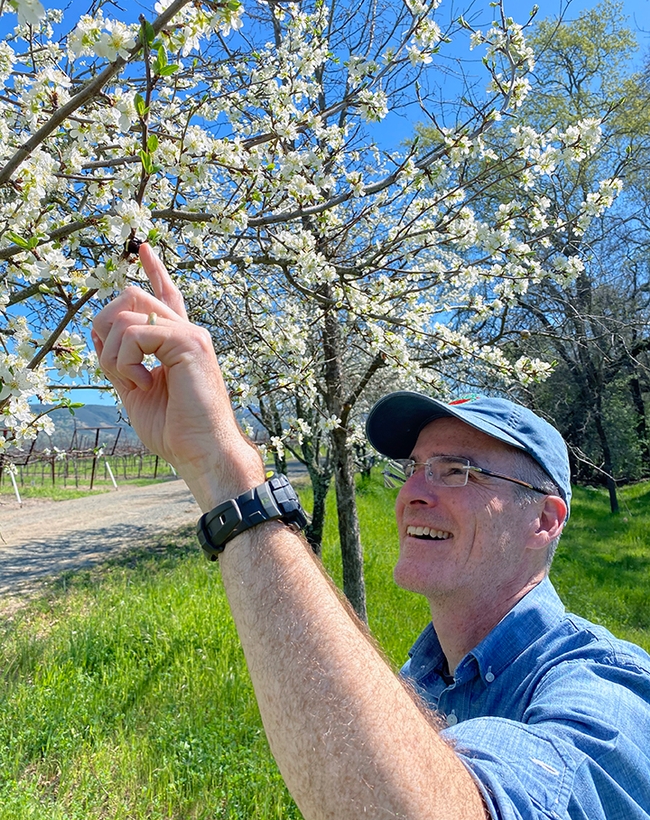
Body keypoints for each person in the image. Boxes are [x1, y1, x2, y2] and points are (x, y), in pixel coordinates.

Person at [92, 244, 650, 820]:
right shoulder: (420, 678)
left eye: (458, 471)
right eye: (415, 468)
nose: (414, 493)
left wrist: (226, 471)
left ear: (544, 519)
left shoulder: (609, 691)